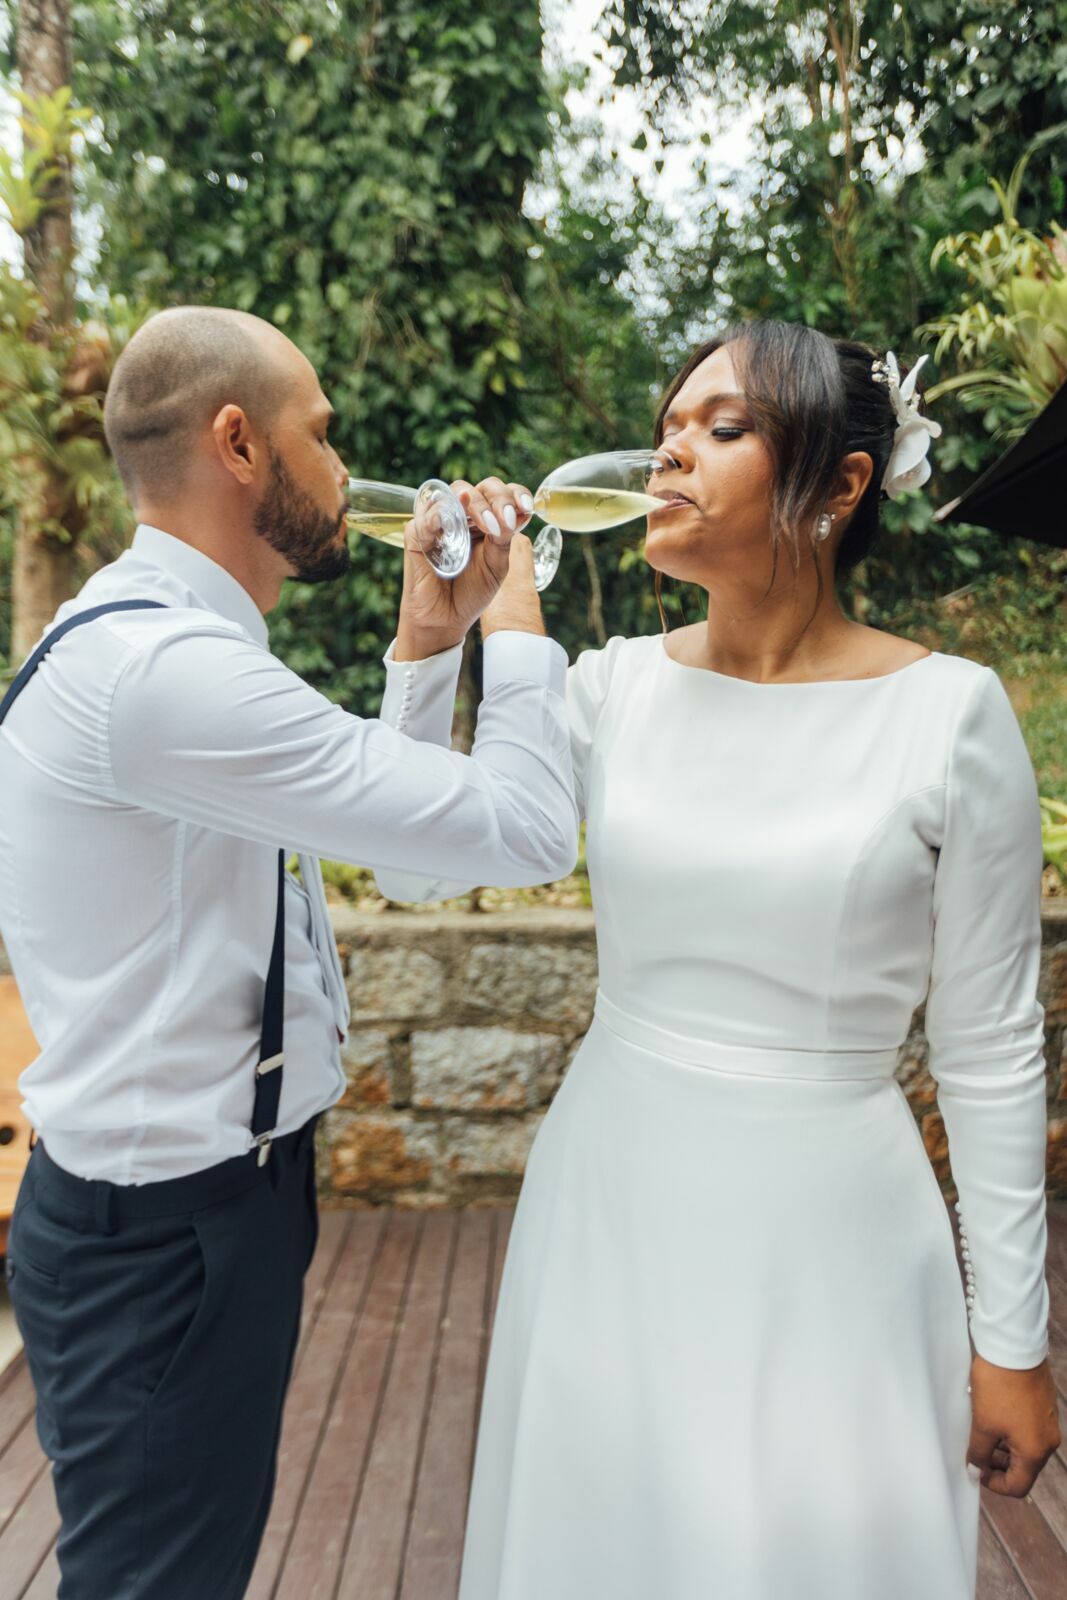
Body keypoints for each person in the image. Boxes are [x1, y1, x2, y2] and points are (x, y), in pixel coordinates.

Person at [372, 320, 1061, 1599]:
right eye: (668, 426)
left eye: (721, 426)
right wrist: (429, 646)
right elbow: (415, 864)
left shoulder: (947, 714)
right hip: (607, 1214)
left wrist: (1009, 1337)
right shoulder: (609, 688)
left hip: (831, 1241)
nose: (669, 452)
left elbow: (989, 1050)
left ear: (841, 485)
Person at [0, 305, 578, 1600]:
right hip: (166, 1242)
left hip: (197, 1212)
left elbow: (424, 871)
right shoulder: (166, 677)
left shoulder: (166, 648)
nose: (345, 463)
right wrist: (520, 608)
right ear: (237, 444)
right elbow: (531, 828)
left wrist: (428, 647)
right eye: (320, 433)